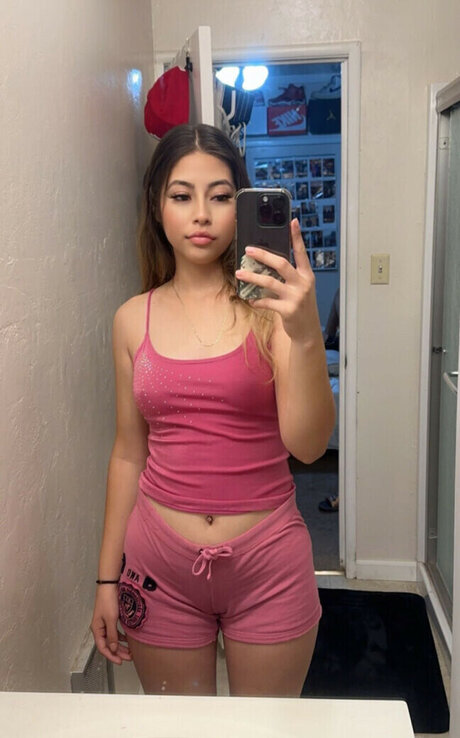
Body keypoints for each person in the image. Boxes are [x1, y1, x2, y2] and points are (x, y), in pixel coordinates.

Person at [90, 124, 336, 698]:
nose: (201, 214)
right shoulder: (131, 319)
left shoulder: (274, 312)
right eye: (182, 195)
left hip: (269, 563)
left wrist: (305, 336)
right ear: (157, 207)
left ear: (241, 206)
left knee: (265, 733)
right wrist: (105, 577)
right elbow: (128, 454)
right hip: (159, 566)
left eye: (221, 196)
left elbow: (308, 446)